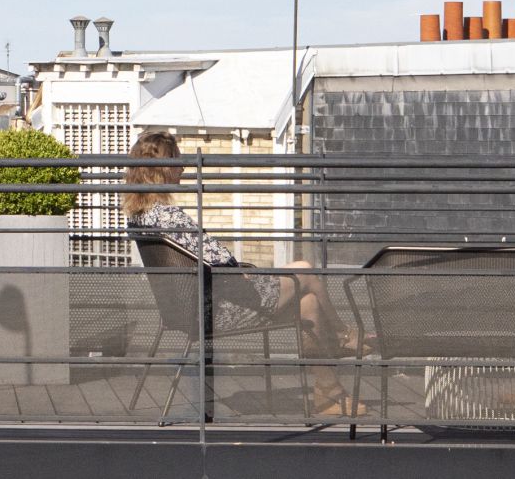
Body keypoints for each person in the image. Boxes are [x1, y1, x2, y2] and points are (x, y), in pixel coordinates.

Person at [125, 129, 369, 417]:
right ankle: (343, 336)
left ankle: (328, 395)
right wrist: (239, 271)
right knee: (305, 270)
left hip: (193, 307)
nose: (183, 168)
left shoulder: (141, 215)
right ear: (160, 168)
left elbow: (208, 260)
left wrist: (235, 270)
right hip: (220, 309)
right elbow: (222, 261)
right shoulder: (168, 216)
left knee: (309, 303)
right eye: (176, 161)